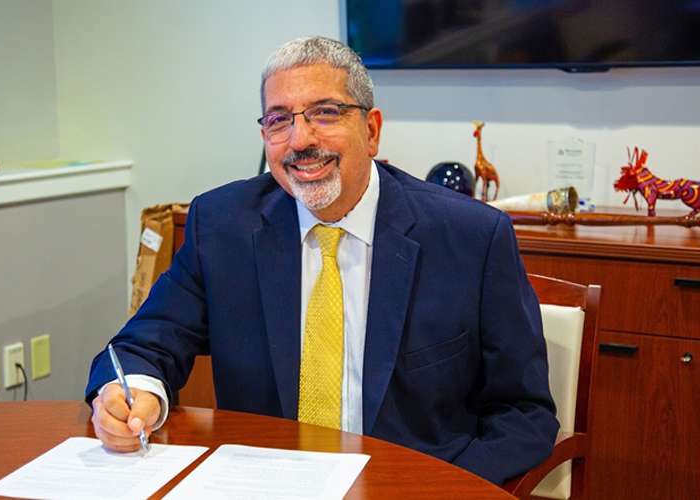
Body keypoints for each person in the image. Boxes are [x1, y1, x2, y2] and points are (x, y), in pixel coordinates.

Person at [86, 35, 557, 486]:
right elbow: (144, 346)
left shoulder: (470, 237)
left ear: (371, 131)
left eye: (325, 113)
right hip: (263, 484)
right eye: (278, 120)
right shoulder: (222, 226)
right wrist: (135, 394)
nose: (299, 140)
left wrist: (438, 488)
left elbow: (524, 414)